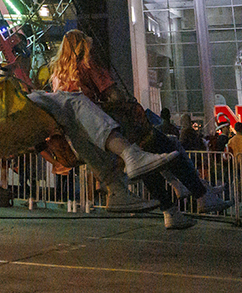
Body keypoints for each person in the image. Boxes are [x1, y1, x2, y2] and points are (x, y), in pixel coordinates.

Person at [0, 6, 167, 214]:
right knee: (74, 101)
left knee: (72, 123)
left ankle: (116, 190)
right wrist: (0, 78)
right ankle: (131, 154)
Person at [47, 29, 229, 225]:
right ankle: (202, 194)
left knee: (146, 166)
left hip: (87, 139)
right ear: (83, 46)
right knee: (168, 147)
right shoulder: (88, 65)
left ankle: (171, 211)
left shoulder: (57, 76)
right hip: (112, 128)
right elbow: (113, 95)